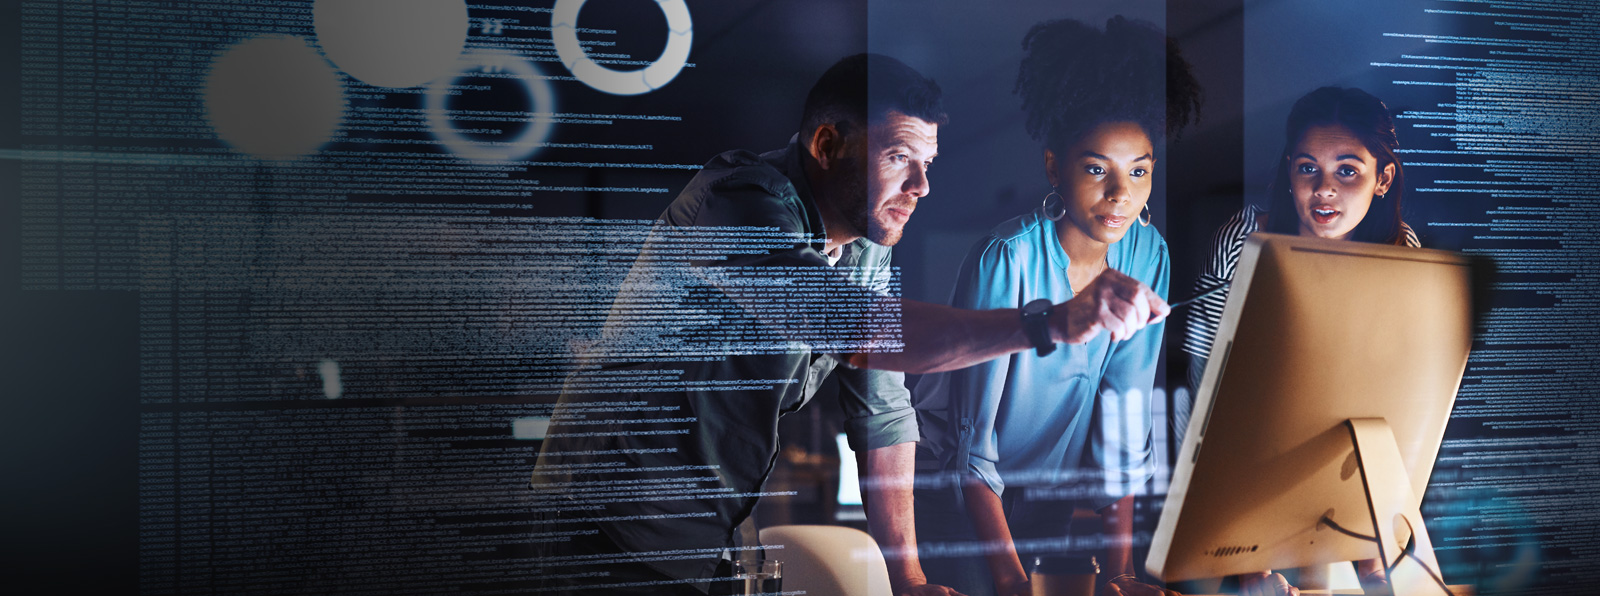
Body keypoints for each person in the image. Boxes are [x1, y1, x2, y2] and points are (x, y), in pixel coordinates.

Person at [531, 53, 1169, 596]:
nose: (921, 186)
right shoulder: (734, 204)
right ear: (827, 145)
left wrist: (910, 580)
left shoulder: (867, 253)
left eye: (929, 163)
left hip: (711, 529)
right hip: (603, 521)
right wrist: (1046, 324)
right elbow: (859, 331)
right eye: (899, 157)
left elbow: (883, 413)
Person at [911, 17, 1208, 596]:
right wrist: (1009, 579)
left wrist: (1121, 570)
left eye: (1139, 172)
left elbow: (1125, 419)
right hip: (958, 505)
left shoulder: (1149, 254)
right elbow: (973, 448)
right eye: (1097, 168)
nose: (1121, 194)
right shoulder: (1008, 256)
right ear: (1054, 166)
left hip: (1048, 499)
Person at [1178, 85, 1420, 592]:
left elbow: (1399, 398)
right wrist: (1243, 558)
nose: (1324, 189)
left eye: (1347, 170)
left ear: (1383, 179)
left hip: (1351, 468)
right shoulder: (1243, 241)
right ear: (1289, 171)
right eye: (1308, 167)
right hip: (1238, 470)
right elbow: (1199, 393)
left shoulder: (1402, 251)